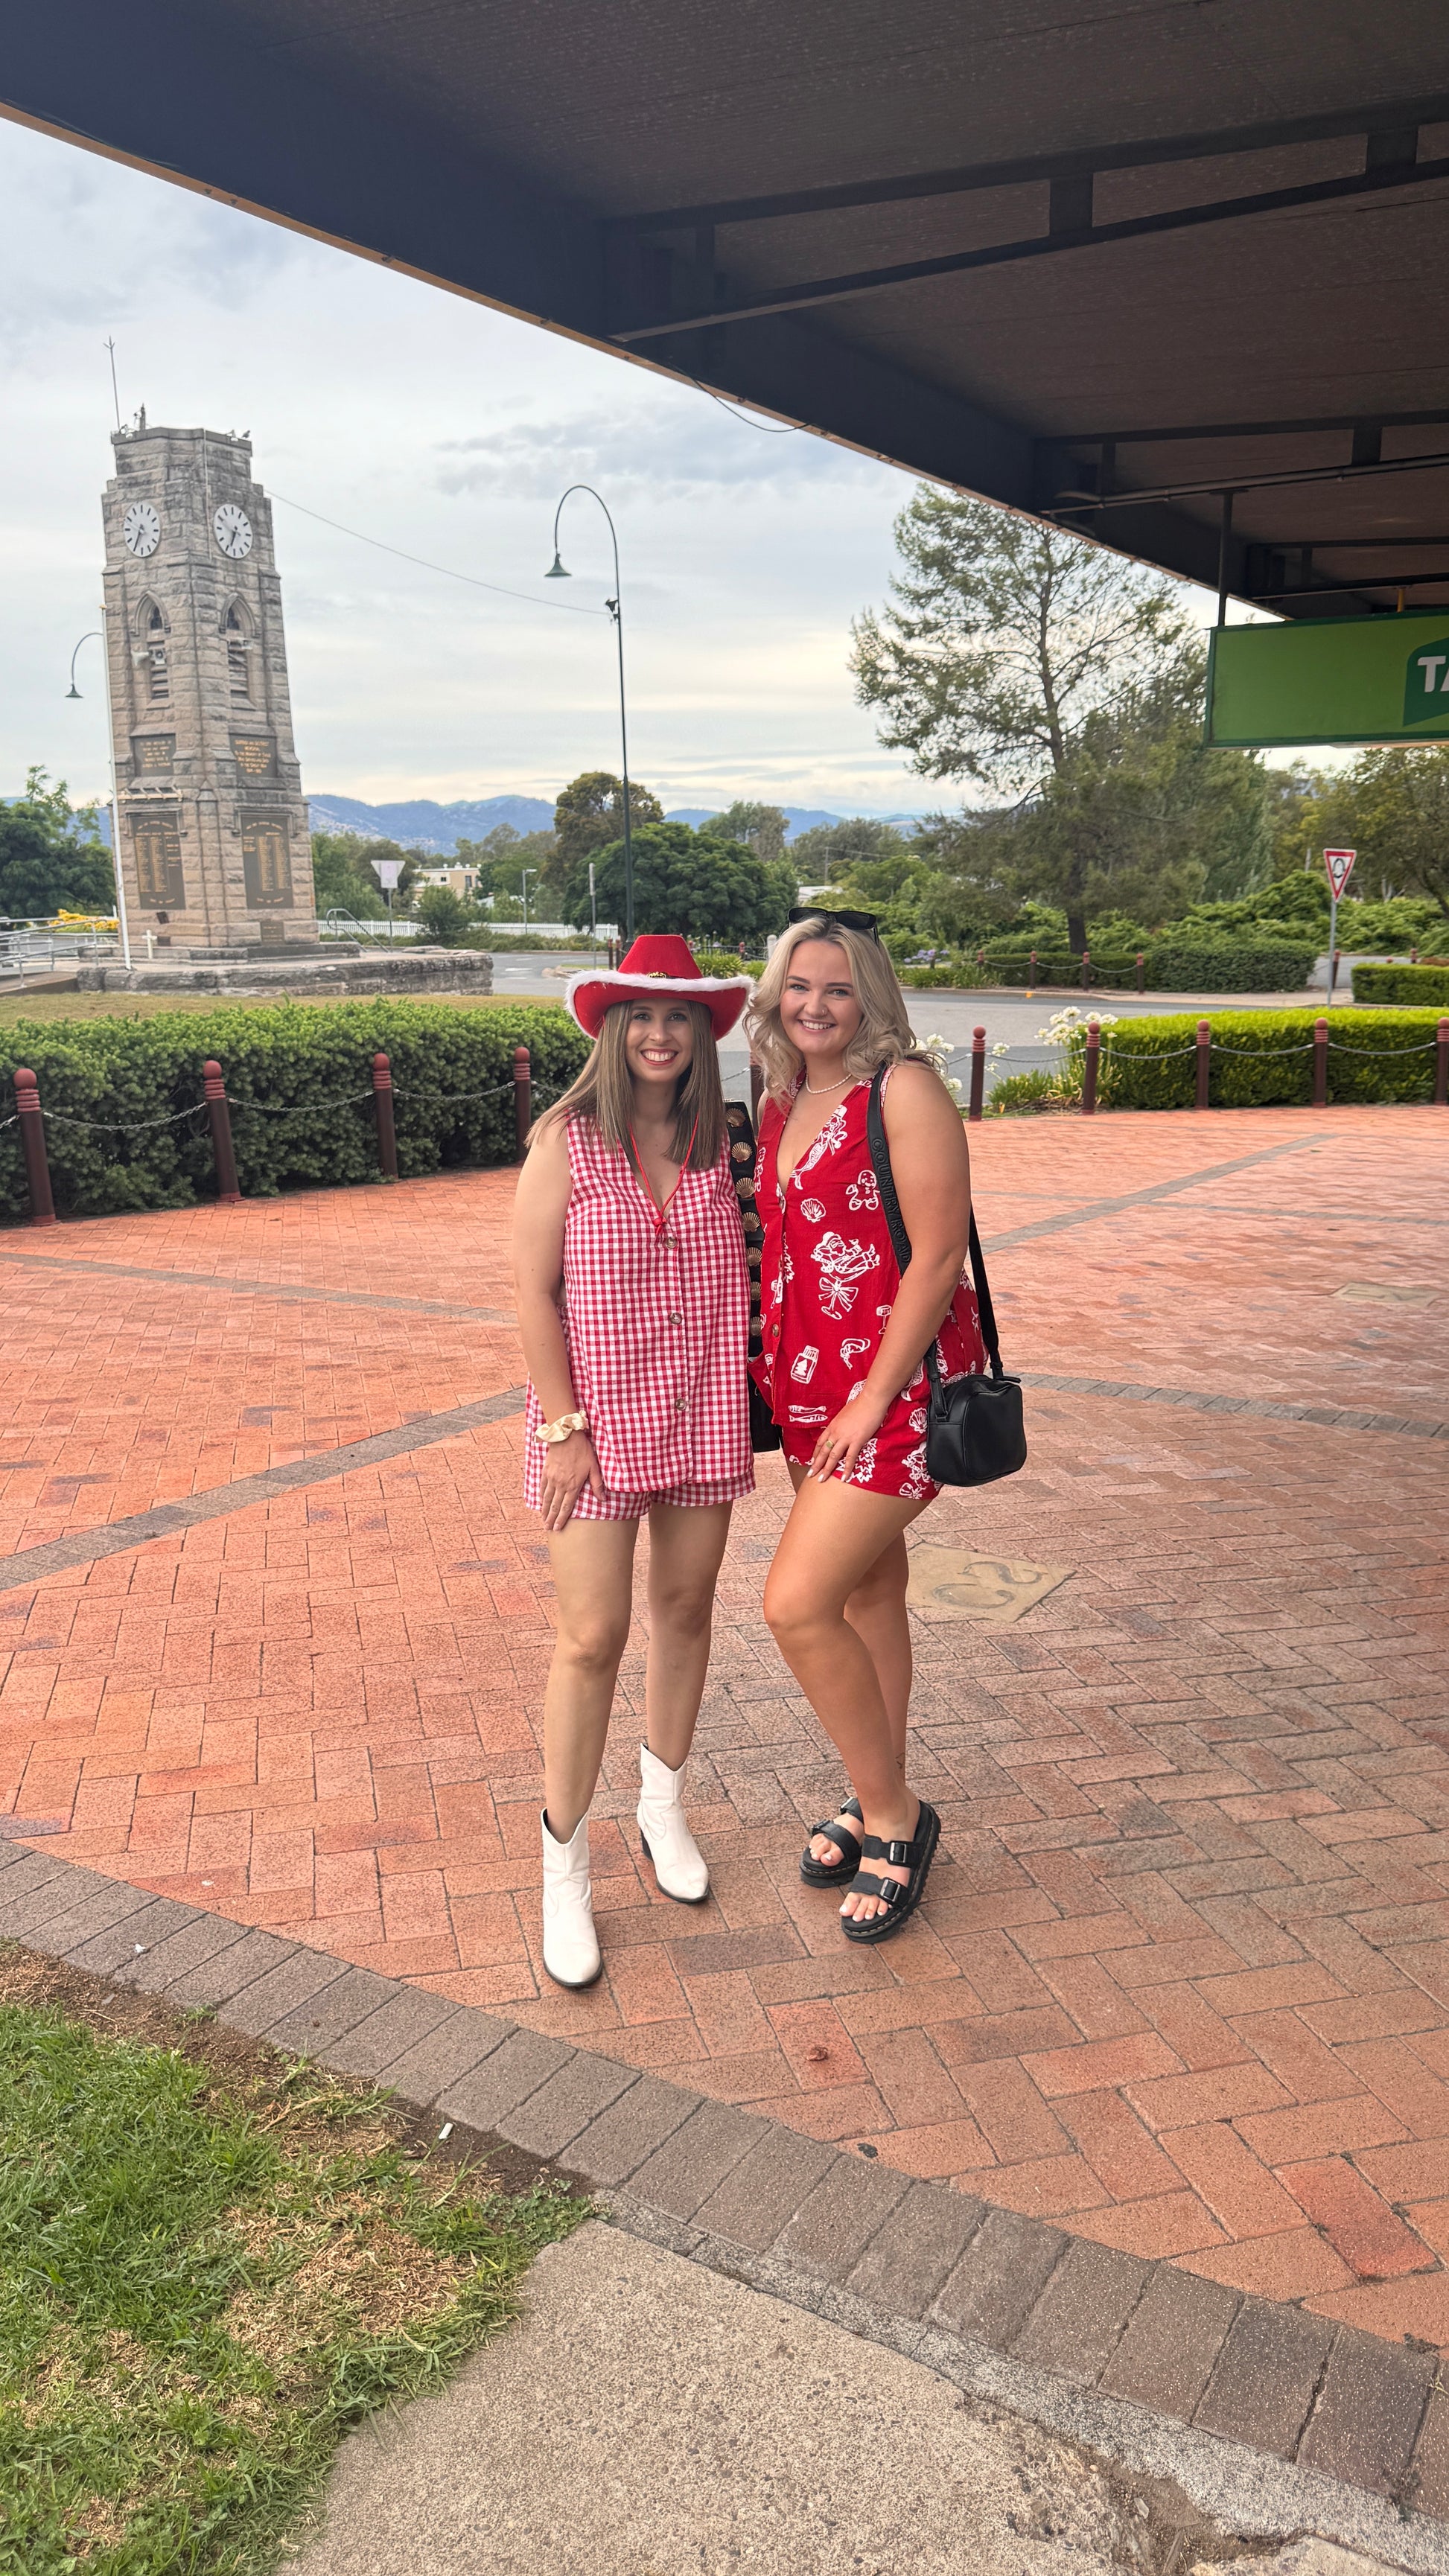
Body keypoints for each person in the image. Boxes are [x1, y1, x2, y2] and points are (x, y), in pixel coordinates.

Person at [513, 933, 754, 1989]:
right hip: (594, 1427)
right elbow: (532, 1294)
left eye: (680, 1018)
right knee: (592, 1637)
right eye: (642, 1017)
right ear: (611, 1031)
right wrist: (562, 1427)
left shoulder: (725, 1143)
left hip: (702, 1411)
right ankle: (563, 1868)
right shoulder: (566, 1141)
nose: (660, 1034)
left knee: (688, 1611)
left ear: (703, 1036)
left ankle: (662, 1810)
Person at [746, 910, 986, 1945]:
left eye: (837, 989)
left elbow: (935, 1261)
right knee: (871, 1589)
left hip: (888, 1394)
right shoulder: (782, 1097)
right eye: (798, 986)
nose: (815, 1005)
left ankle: (895, 1817)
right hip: (804, 1384)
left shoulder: (906, 1090)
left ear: (870, 998)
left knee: (796, 1606)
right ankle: (869, 1781)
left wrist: (868, 1400)